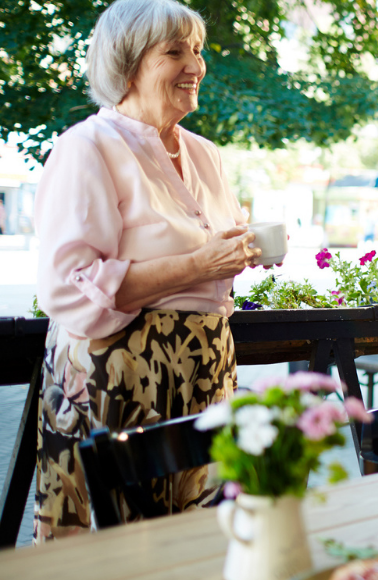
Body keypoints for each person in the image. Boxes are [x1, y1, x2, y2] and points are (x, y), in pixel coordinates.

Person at [33, 0, 262, 543]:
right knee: (123, 551)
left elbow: (212, 255)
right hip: (118, 373)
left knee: (208, 539)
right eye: (174, 51)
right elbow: (69, 287)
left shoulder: (206, 154)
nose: (196, 65)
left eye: (198, 51)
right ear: (129, 65)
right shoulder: (86, 147)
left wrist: (238, 251)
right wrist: (200, 263)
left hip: (206, 365)